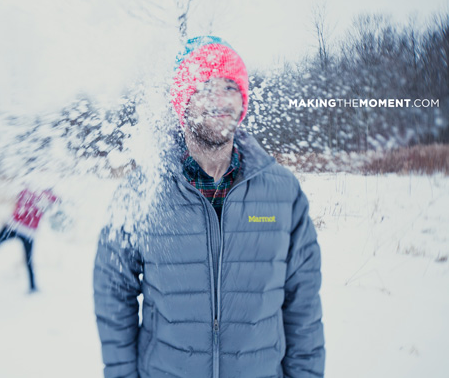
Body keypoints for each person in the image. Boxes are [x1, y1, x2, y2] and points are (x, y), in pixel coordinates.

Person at [93, 36, 325, 378]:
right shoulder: (142, 190)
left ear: (243, 99)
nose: (219, 99)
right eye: (204, 86)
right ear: (182, 101)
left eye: (230, 86)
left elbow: (302, 304)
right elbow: (113, 292)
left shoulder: (282, 191)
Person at [0, 188, 59, 292]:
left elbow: (55, 200)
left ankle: (33, 287)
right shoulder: (27, 190)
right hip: (13, 227)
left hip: (28, 233)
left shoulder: (44, 196)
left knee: (29, 261)